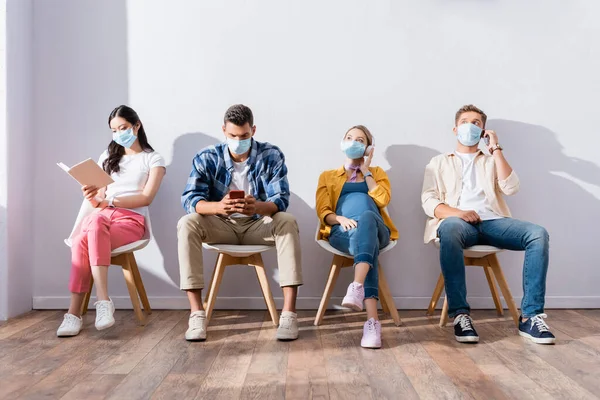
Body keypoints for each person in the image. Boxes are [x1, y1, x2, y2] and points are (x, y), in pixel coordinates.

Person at [421, 104, 554, 344]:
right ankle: (461, 314)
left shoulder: (491, 160)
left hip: (493, 222)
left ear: (483, 131)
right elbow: (429, 201)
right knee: (449, 228)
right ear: (455, 129)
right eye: (465, 121)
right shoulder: (438, 162)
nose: (470, 126)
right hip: (458, 223)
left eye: (476, 123)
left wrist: (495, 149)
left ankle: (531, 317)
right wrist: (459, 213)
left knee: (538, 234)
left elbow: (511, 188)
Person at [177, 104, 302, 341]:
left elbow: (281, 199)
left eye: (244, 136)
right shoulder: (207, 157)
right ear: (223, 130)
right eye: (232, 135)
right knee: (187, 223)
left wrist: (257, 207)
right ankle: (196, 315)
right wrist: (218, 207)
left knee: (287, 221)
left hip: (258, 225)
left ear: (253, 130)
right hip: (221, 225)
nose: (238, 140)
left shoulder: (271, 155)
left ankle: (288, 315)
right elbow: (190, 199)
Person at [57, 105, 166, 337]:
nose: (118, 134)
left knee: (83, 237)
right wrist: (92, 197)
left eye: (123, 128)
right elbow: (100, 200)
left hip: (131, 221)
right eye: (114, 130)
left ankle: (81, 310)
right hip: (102, 218)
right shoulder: (107, 157)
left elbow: (146, 197)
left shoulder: (153, 159)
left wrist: (111, 203)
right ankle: (94, 306)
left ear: (137, 126)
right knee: (91, 227)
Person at [316, 125, 398, 348]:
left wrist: (367, 170)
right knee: (367, 248)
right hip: (342, 233)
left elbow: (382, 200)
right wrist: (339, 219)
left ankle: (357, 286)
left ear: (368, 147)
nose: (353, 142)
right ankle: (372, 323)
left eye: (360, 140)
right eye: (349, 137)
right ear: (342, 142)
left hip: (376, 228)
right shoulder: (328, 176)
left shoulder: (378, 173)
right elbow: (322, 210)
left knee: (369, 217)